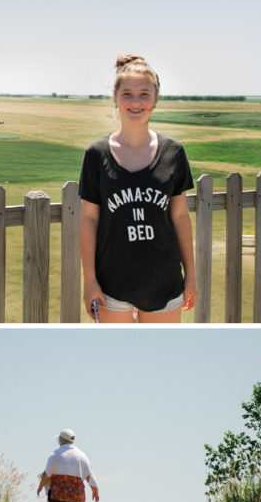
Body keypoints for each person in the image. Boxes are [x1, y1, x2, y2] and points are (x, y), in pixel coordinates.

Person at [79, 55, 197, 323]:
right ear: (115, 97)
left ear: (155, 99)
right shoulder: (96, 154)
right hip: (111, 285)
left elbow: (180, 217)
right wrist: (89, 281)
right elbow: (88, 219)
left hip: (164, 282)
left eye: (144, 94)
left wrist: (190, 276)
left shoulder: (174, 152)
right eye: (127, 94)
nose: (135, 102)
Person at [37, 428, 99, 502]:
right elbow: (89, 475)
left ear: (61, 440)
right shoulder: (81, 455)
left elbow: (47, 474)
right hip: (77, 495)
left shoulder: (55, 455)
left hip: (59, 493)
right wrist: (95, 491)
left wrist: (40, 486)